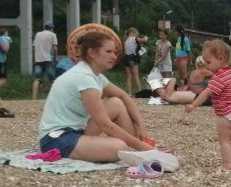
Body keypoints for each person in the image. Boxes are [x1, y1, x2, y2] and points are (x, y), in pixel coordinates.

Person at [37, 26, 156, 162]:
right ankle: (140, 148)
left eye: (115, 52)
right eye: (109, 51)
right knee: (119, 147)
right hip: (56, 139)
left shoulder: (94, 75)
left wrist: (141, 126)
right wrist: (143, 147)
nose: (114, 56)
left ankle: (137, 146)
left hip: (76, 131)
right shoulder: (84, 77)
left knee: (116, 103)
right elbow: (104, 124)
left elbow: (123, 96)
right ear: (92, 53)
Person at [184, 39, 231, 169]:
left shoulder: (218, 77)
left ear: (220, 58)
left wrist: (193, 105)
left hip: (227, 115)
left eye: (208, 62)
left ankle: (226, 164)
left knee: (224, 140)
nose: (207, 66)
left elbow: (206, 93)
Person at [32, 21, 59, 99]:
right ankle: (56, 97)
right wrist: (55, 57)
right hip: (48, 59)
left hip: (38, 60)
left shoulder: (38, 34)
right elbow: (54, 48)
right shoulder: (52, 35)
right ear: (51, 28)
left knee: (37, 79)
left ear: (44, 27)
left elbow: (34, 47)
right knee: (52, 79)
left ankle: (33, 98)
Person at [122, 27, 143, 96]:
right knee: (136, 75)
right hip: (132, 58)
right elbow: (143, 40)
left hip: (126, 58)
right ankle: (140, 91)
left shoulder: (126, 40)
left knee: (129, 76)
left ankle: (129, 93)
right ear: (132, 33)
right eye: (136, 34)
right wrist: (145, 38)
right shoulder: (133, 38)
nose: (137, 35)